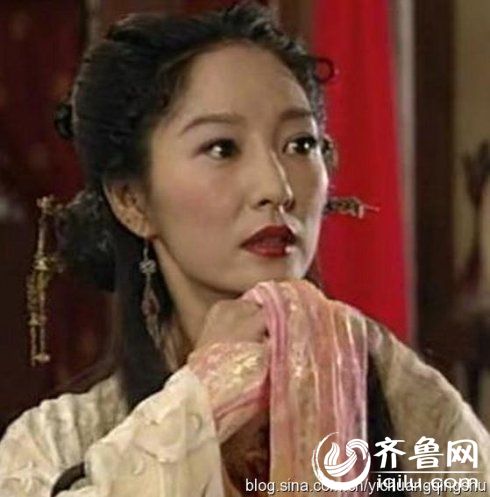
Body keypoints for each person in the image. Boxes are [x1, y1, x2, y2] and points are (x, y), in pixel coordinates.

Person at [0, 2, 488, 496]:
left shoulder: (405, 400)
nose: (278, 189)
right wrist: (203, 401)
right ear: (132, 200)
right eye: (222, 148)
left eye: (300, 145)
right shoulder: (53, 446)